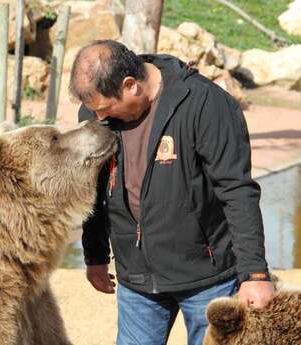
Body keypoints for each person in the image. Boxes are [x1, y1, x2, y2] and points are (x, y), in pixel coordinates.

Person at [69, 40, 275, 345]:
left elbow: (237, 191)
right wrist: (95, 255)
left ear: (130, 86)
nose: (98, 118)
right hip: (137, 281)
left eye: (105, 108)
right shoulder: (95, 113)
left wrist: (255, 275)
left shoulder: (206, 104)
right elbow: (94, 190)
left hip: (208, 278)